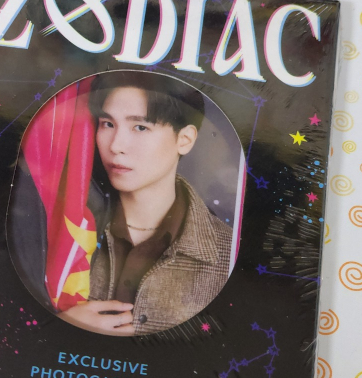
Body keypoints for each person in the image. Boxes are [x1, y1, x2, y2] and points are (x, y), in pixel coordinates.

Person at [59, 71, 232, 336]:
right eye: (107, 124)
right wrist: (62, 324)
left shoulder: (227, 254)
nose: (116, 145)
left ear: (184, 139)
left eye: (140, 127)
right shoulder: (64, 224)